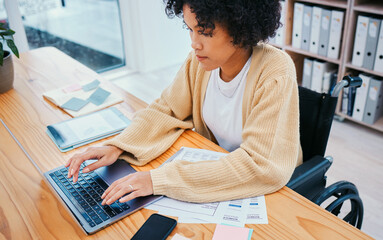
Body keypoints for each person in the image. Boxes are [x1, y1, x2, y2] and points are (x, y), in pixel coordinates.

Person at [66, 0, 302, 205]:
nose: (194, 43)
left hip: (264, 190)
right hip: (216, 174)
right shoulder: (198, 63)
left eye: (205, 31)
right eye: (190, 30)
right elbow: (166, 109)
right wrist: (117, 146)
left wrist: (157, 180)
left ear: (240, 27)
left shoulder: (275, 71)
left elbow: (259, 165)